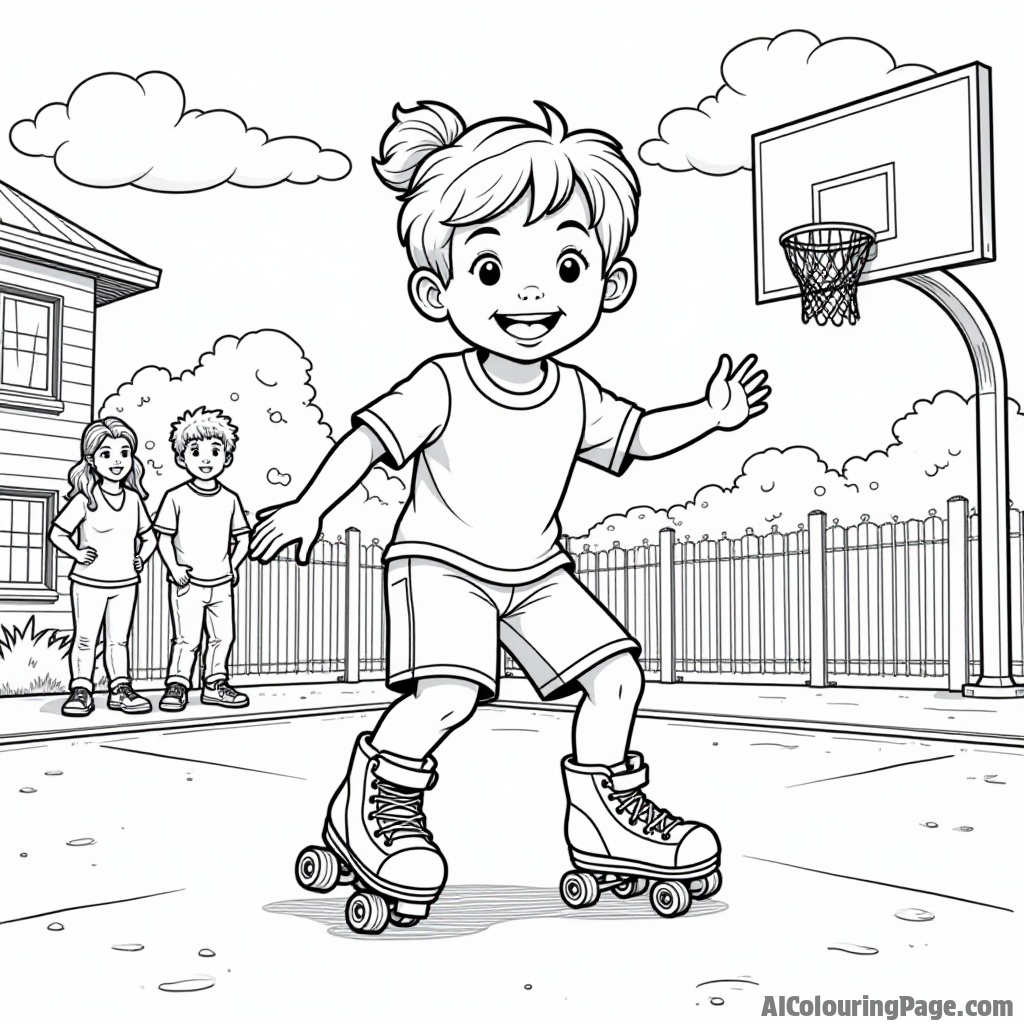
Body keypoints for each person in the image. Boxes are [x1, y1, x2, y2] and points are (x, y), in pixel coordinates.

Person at [252, 101, 770, 925]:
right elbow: (365, 442)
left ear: (611, 282)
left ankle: (605, 816)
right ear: (437, 290)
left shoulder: (574, 393)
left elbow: (636, 438)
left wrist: (711, 412)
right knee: (449, 694)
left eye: (567, 268)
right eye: (491, 271)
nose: (531, 293)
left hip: (537, 572)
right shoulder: (443, 383)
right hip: (441, 563)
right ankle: (373, 803)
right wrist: (310, 507)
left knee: (617, 674)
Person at [50, 418, 156, 717]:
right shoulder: (85, 499)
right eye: (106, 454)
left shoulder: (134, 500)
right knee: (85, 637)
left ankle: (120, 688)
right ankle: (81, 689)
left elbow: (148, 538)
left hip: (125, 582)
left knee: (118, 640)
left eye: (124, 452)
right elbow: (57, 532)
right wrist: (76, 552)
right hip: (89, 582)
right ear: (91, 460)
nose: (117, 461)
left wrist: (142, 557)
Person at [154, 407, 251, 712]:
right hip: (188, 583)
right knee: (187, 638)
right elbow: (163, 537)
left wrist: (232, 565)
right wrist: (174, 568)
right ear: (182, 458)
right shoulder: (175, 497)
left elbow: (243, 538)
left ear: (227, 457)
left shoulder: (230, 499)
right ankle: (178, 685)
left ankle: (215, 684)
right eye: (196, 451)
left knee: (223, 636)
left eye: (214, 451)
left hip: (221, 583)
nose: (206, 459)